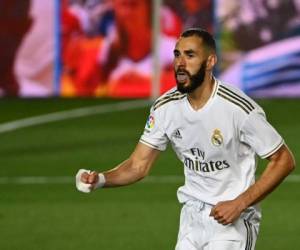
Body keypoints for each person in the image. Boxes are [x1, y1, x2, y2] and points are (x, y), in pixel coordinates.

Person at [75, 28, 295, 249]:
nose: (180, 63)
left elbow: (284, 159)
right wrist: (101, 179)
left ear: (210, 62)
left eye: (190, 55)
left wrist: (239, 204)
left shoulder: (238, 109)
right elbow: (137, 165)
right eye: (177, 54)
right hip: (191, 220)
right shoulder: (165, 108)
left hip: (233, 223)